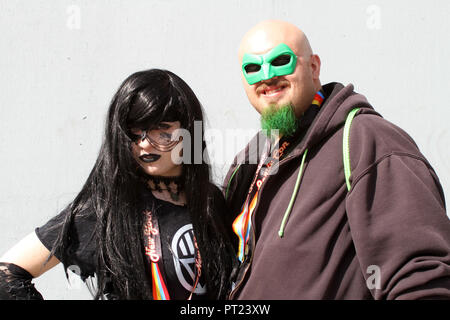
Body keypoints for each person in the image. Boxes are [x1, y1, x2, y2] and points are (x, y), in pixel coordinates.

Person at [223, 20, 450, 299]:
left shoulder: (367, 141)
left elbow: (421, 278)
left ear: (314, 67)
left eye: (281, 61)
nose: (266, 77)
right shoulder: (252, 158)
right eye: (252, 68)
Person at [0, 69, 236, 300]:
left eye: (161, 128)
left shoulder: (211, 201)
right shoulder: (108, 207)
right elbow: (7, 274)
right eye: (135, 131)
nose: (145, 144)